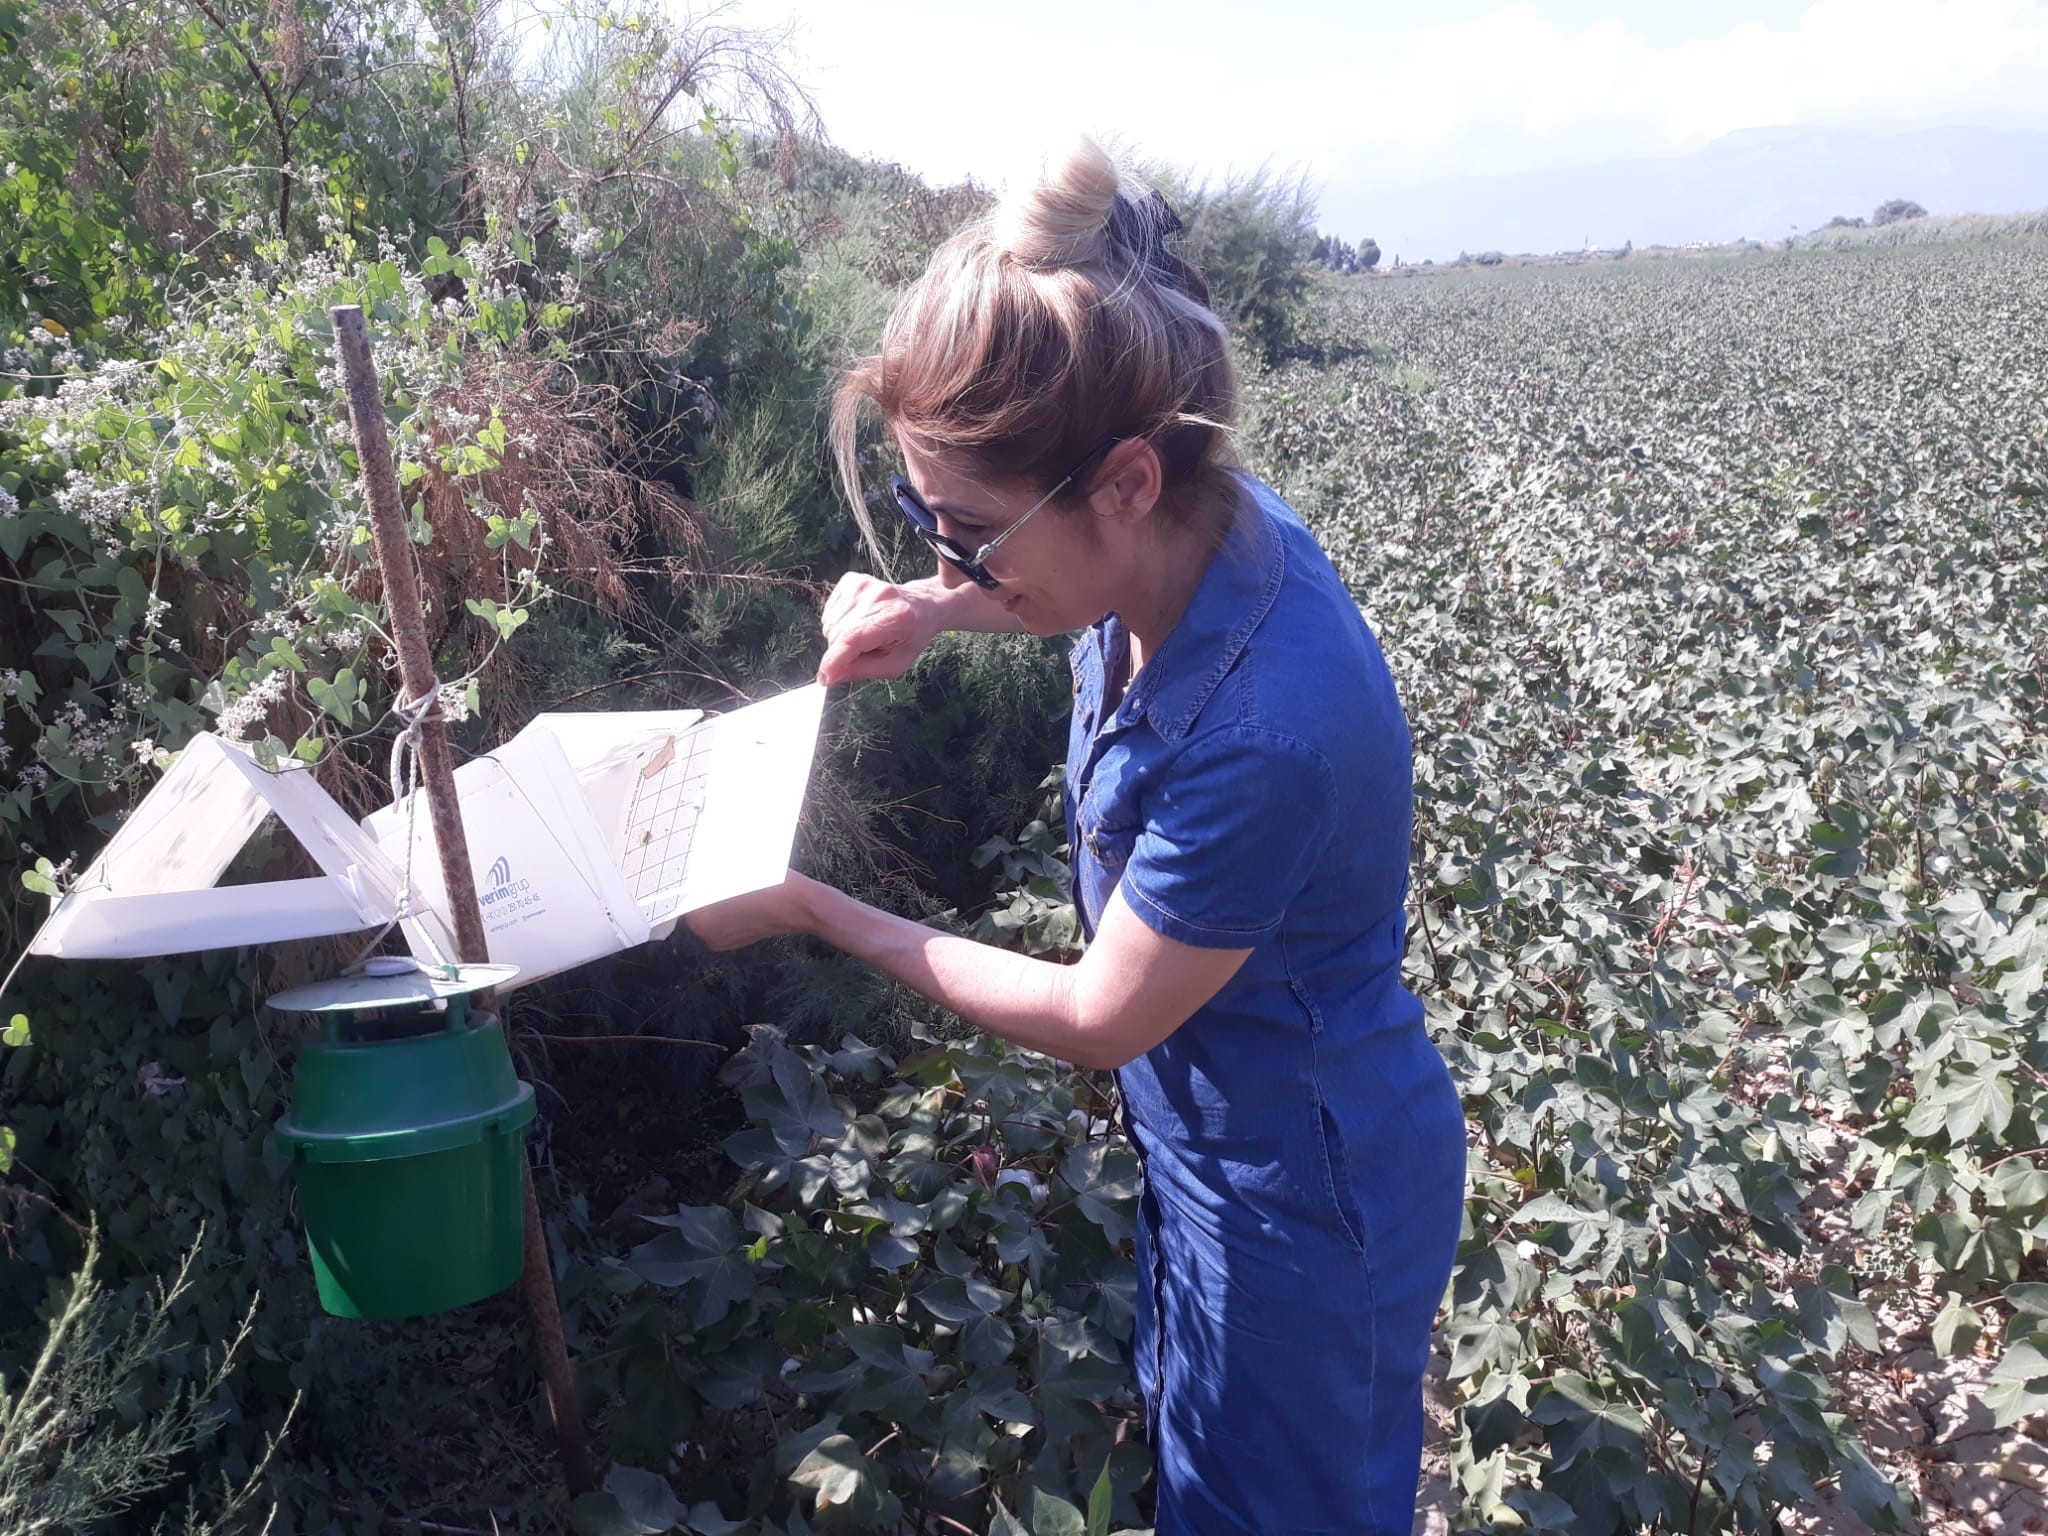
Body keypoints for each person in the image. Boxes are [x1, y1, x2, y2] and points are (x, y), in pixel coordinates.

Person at [684, 138, 1468, 1536]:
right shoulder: (1193, 524)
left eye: (968, 536)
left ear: (1122, 482)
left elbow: (1103, 1013)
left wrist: (814, 908)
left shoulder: (1268, 729)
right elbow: (1071, 586)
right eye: (925, 522)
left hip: (1305, 1199)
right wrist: (943, 608)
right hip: (1216, 1149)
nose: (944, 560)